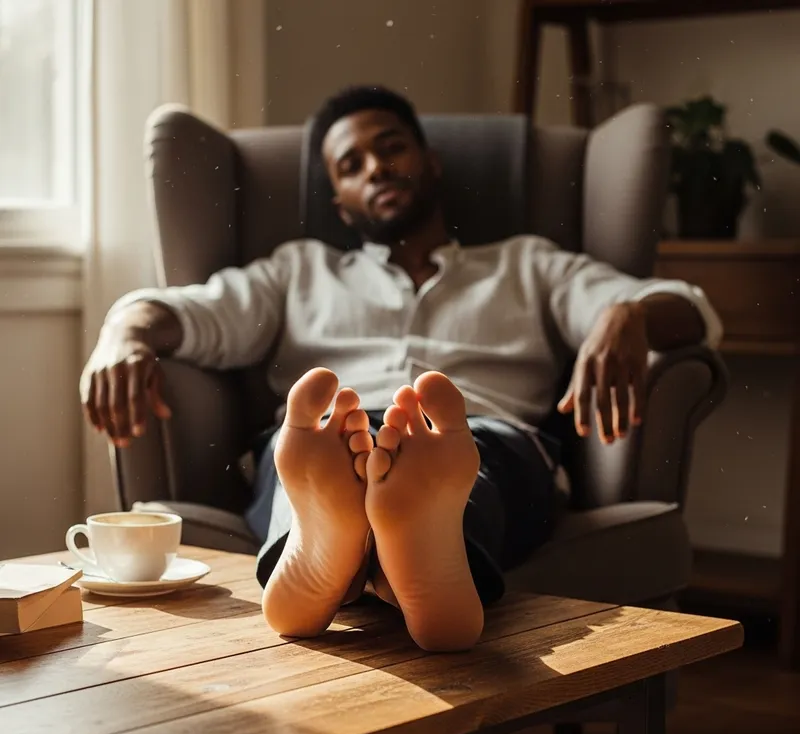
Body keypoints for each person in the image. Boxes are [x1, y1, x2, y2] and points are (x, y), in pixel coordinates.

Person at [80, 85, 722, 653]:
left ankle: (356, 554)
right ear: (338, 197)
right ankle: (381, 556)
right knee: (305, 451)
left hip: (486, 438)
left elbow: (692, 313)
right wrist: (123, 332)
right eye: (352, 165)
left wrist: (625, 315)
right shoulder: (296, 271)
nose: (377, 167)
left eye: (391, 148)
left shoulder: (530, 263)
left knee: (463, 457)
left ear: (430, 162)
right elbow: (189, 313)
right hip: (330, 432)